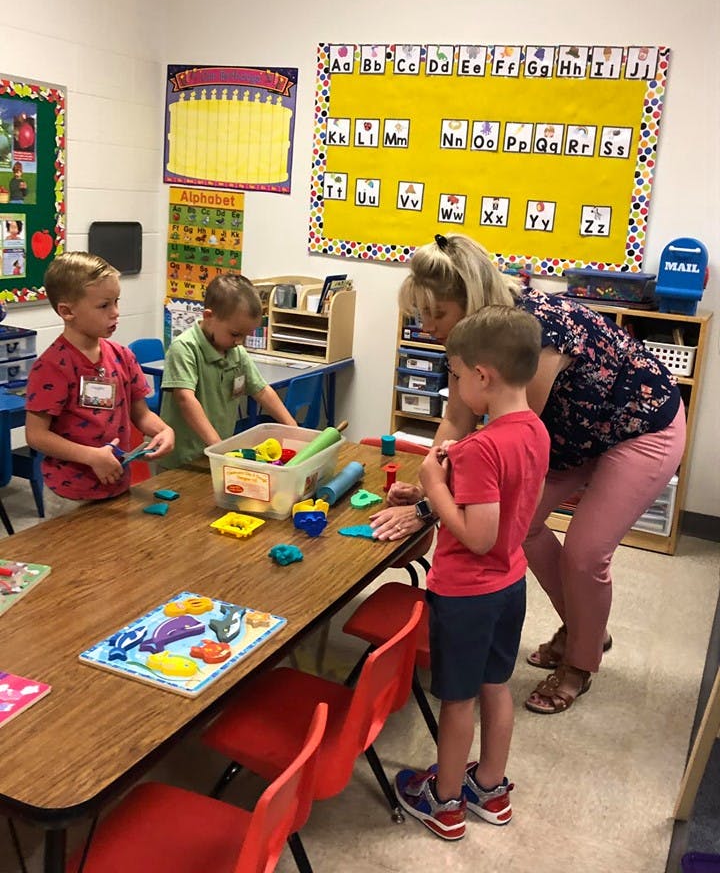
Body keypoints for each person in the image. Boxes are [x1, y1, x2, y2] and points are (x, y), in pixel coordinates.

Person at [370, 233, 686, 714]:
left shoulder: (531, 338)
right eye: (422, 315)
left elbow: (506, 451)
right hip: (570, 435)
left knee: (584, 551)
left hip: (639, 426)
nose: (428, 327)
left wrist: (431, 504)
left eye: (438, 314)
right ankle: (587, 631)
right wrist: (430, 478)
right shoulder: (474, 339)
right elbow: (457, 420)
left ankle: (579, 664)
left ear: (472, 301)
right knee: (522, 528)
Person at [394, 305, 550, 841]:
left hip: (466, 595)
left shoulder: (483, 448)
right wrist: (460, 461)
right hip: (511, 585)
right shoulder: (534, 431)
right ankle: (489, 786)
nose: (455, 387)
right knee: (496, 686)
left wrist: (434, 485)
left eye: (456, 376)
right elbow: (504, 499)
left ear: (483, 375)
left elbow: (478, 535)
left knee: (458, 700)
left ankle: (444, 801)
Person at [25, 252, 175, 500]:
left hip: (118, 482)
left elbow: (141, 414)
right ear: (67, 311)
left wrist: (163, 430)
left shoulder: (122, 356)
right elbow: (36, 435)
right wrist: (91, 456)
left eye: (116, 301)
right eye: (104, 305)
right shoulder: (52, 366)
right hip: (70, 491)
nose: (115, 312)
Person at [159, 274, 297, 469]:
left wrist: (294, 429)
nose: (240, 342)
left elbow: (262, 391)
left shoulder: (236, 352)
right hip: (182, 461)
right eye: (235, 334)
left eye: (246, 335)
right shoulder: (184, 348)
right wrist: (218, 447)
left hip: (216, 457)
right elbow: (185, 399)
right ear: (208, 317)